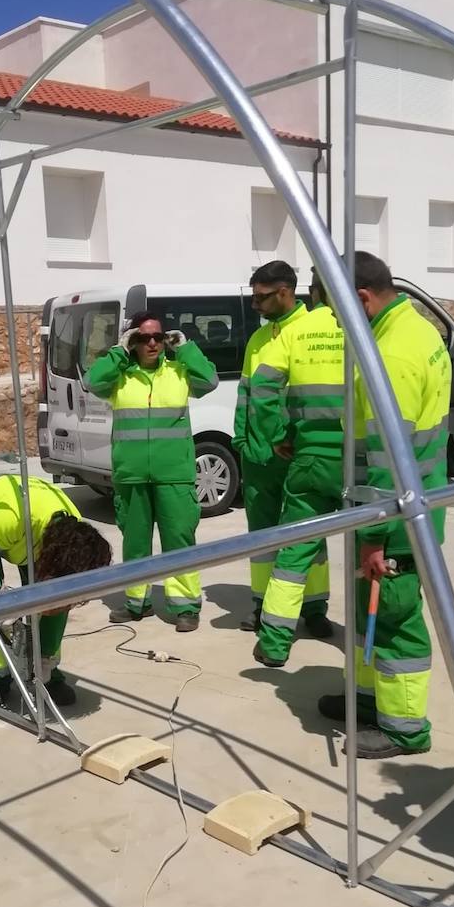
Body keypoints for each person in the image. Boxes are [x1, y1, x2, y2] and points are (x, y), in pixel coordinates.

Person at [319, 252, 451, 758]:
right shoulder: (415, 333)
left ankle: (403, 728)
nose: (333, 320)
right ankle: (367, 698)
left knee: (393, 615)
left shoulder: (391, 356)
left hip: (394, 514)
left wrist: (375, 533)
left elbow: (387, 458)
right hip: (408, 501)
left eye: (336, 309)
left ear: (361, 300)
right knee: (369, 609)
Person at [85, 310, 218, 632]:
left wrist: (184, 347)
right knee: (135, 542)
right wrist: (118, 351)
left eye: (158, 337)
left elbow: (210, 380)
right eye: (143, 337)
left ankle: (185, 606)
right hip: (132, 476)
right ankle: (136, 602)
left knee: (180, 541)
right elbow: (92, 382)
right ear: (133, 342)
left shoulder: (179, 372)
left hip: (174, 474)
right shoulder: (120, 377)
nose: (153, 343)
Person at [250, 268, 344, 666]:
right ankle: (360, 651)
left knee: (294, 551)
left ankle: (273, 643)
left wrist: (277, 434)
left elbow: (263, 386)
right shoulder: (366, 329)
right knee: (371, 554)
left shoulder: (297, 332)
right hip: (367, 461)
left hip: (310, 457)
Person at [233, 261, 331, 635]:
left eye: (261, 297)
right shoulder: (260, 339)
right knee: (261, 536)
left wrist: (284, 437)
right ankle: (262, 604)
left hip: (296, 453)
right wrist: (242, 439)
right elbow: (247, 394)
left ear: (286, 292)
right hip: (259, 456)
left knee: (307, 532)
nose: (255, 305)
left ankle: (314, 606)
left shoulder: (314, 330)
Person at [0, 474, 111, 706]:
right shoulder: (10, 519)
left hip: (36, 534)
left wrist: (46, 658)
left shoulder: (73, 530)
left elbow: (59, 596)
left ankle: (46, 668)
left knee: (55, 600)